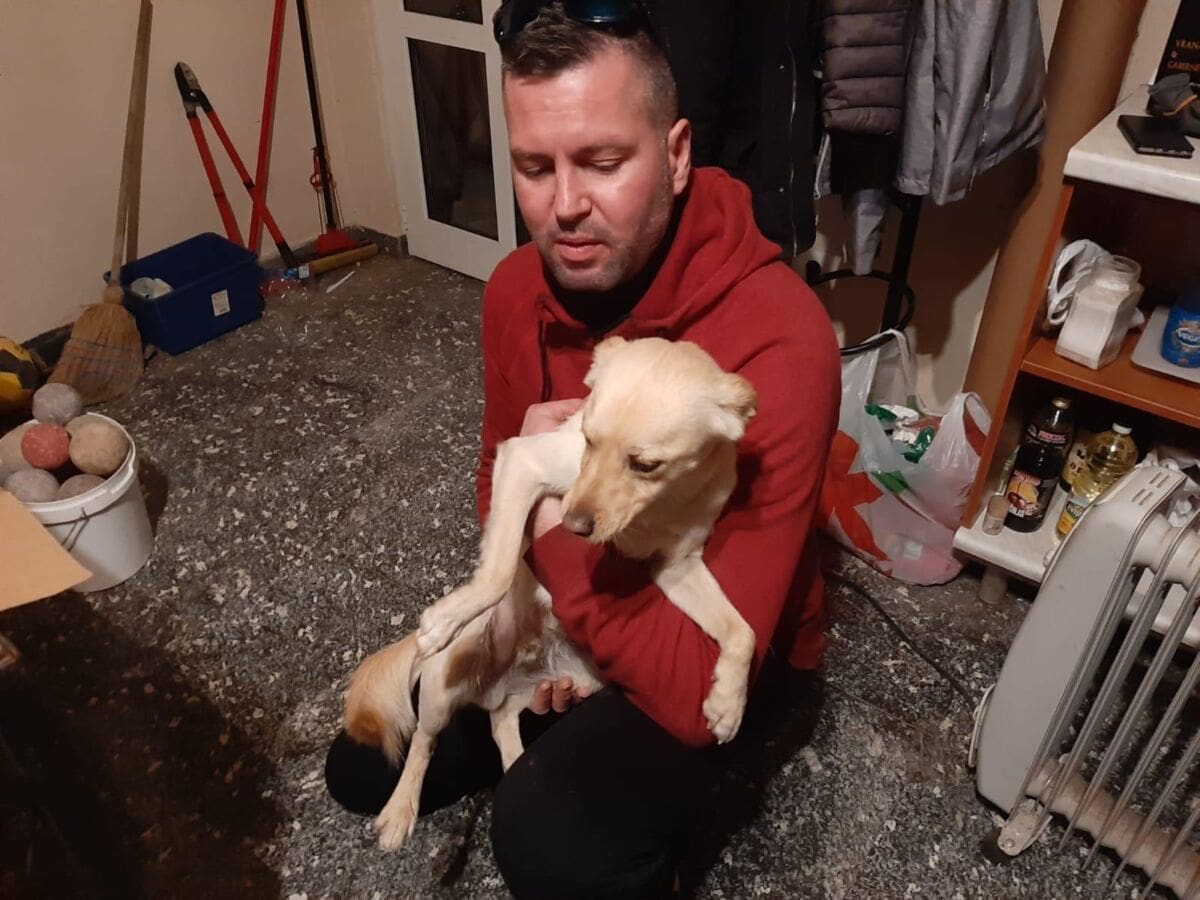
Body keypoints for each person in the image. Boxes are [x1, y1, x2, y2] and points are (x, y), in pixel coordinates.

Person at [325, 2, 840, 896]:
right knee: (363, 765)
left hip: (710, 643)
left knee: (548, 840)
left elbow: (693, 691)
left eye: (604, 163)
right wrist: (550, 625)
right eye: (534, 166)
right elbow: (496, 479)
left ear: (677, 154)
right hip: (580, 603)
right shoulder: (513, 290)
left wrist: (554, 533)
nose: (565, 205)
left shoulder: (780, 343)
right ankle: (550, 714)